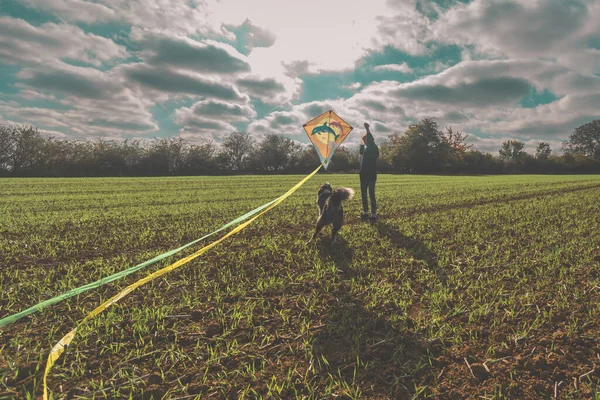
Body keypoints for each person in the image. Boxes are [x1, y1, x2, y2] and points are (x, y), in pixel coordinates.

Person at [359, 122, 379, 222]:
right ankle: (366, 212)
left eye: (366, 140)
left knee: (371, 194)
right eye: (364, 140)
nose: (365, 141)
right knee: (363, 195)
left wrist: (367, 129)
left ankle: (373, 214)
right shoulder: (365, 150)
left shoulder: (373, 148)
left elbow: (370, 140)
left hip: (371, 175)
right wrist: (362, 145)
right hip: (363, 175)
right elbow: (361, 157)